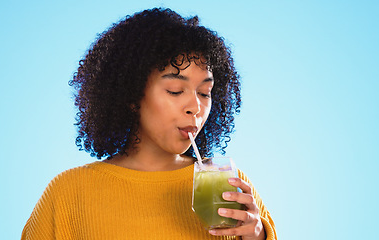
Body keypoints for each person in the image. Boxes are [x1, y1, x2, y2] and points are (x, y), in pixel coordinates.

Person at [21, 8, 276, 240]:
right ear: (132, 95)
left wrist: (257, 236)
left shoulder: (230, 187)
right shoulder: (68, 193)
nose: (196, 107)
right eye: (176, 90)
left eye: (205, 92)